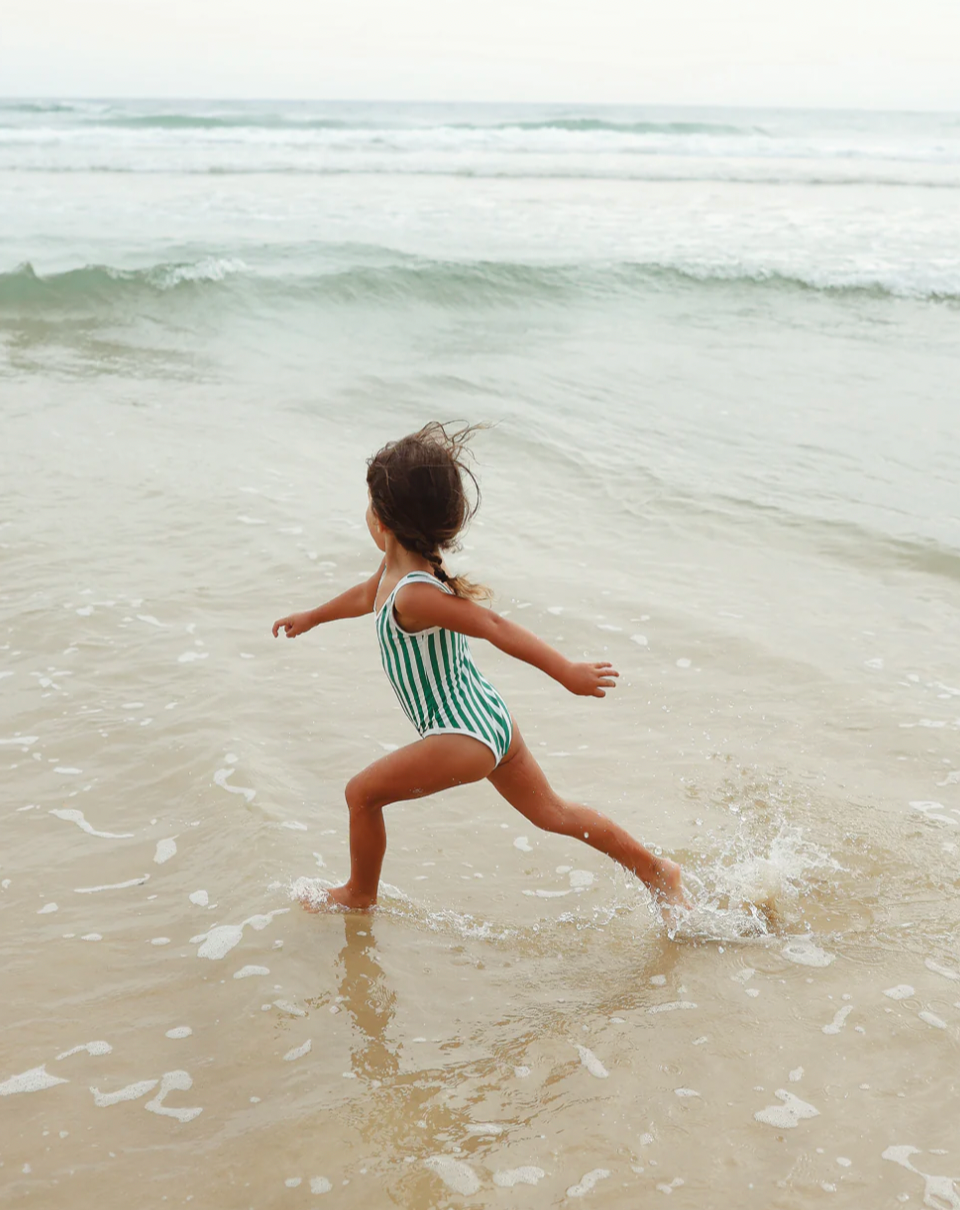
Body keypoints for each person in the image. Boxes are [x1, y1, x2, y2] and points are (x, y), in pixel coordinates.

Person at [272, 422, 687, 917]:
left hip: (461, 733)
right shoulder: (394, 574)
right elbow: (365, 597)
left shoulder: (417, 593)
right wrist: (314, 617)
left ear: (383, 520)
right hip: (490, 720)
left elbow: (491, 624)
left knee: (360, 794)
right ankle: (656, 871)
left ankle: (359, 893)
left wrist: (567, 673)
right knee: (553, 813)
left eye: (368, 504)